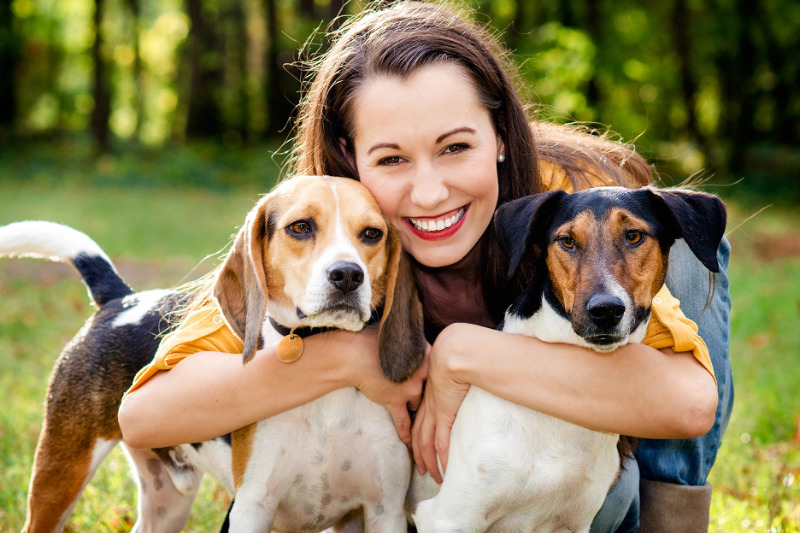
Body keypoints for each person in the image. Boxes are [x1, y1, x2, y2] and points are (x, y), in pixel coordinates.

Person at [118, 2, 732, 531]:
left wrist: (461, 356)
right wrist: (350, 356)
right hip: (441, 495)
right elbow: (146, 416)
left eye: (456, 147)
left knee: (674, 254)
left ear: (499, 135)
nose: (431, 192)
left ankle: (669, 519)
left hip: (581, 488)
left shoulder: (569, 209)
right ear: (349, 160)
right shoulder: (326, 236)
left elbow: (686, 404)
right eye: (390, 159)